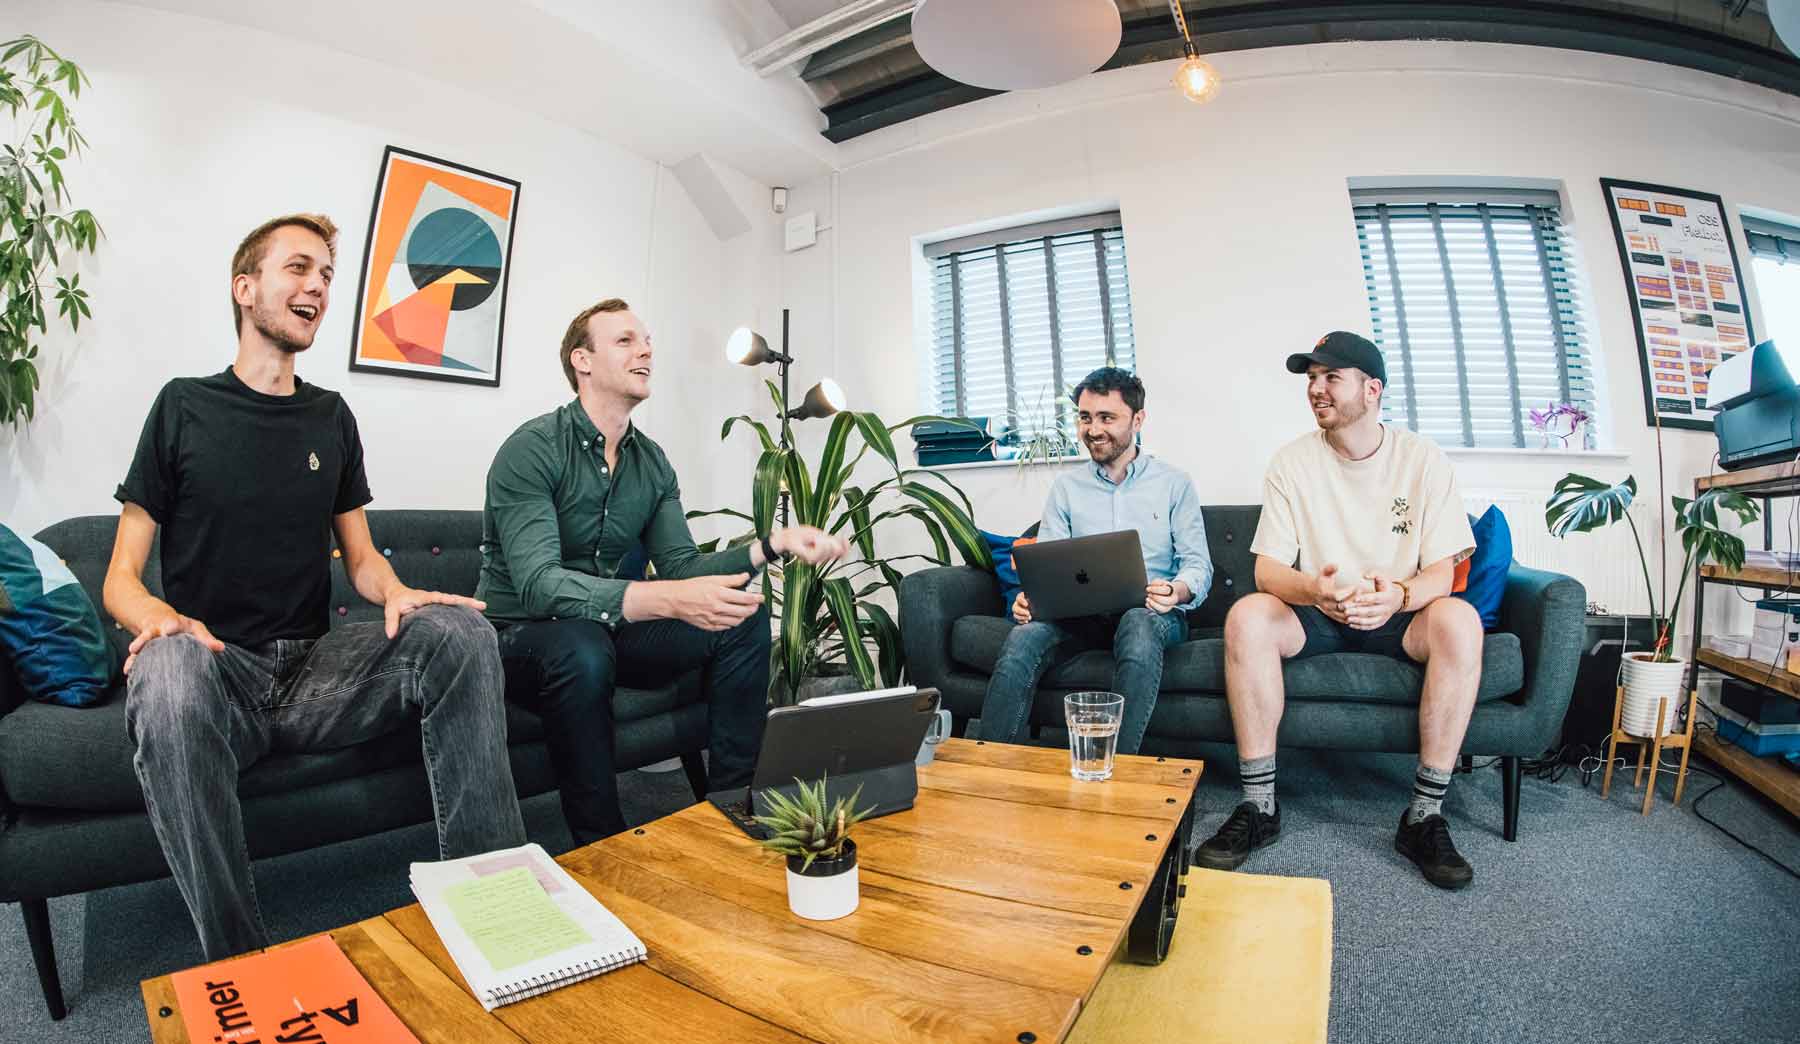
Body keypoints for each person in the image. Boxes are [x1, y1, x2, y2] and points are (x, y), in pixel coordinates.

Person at [104, 213, 527, 960]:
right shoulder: (182, 406)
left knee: (462, 632)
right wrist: (161, 620)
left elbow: (360, 558)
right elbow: (121, 578)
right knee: (167, 671)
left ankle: (496, 907)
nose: (317, 287)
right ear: (246, 288)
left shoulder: (331, 416)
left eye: (326, 276)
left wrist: (395, 589)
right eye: (298, 269)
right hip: (217, 672)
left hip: (314, 673)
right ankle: (240, 963)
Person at [479, 298, 848, 844]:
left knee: (741, 614)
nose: (646, 349)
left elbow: (681, 566)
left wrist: (771, 545)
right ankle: (602, 844)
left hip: (606, 631)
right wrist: (669, 600)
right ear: (582, 361)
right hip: (523, 637)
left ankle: (732, 805)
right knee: (582, 647)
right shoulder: (531, 450)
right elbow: (539, 584)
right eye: (626, 340)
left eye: (647, 339)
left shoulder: (650, 463)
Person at [1197, 332, 1482, 889]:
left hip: (1398, 612)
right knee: (1249, 615)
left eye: (1331, 377)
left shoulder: (1423, 460)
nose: (1316, 389)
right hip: (1320, 612)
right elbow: (1267, 572)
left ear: (1372, 389)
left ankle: (1424, 815)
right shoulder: (1291, 462)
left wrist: (1399, 596)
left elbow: (1442, 572)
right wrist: (1314, 589)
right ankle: (1260, 806)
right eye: (1310, 379)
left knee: (1460, 620)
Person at [976, 367, 1213, 755]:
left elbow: (1198, 566)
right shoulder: (1067, 488)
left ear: (1138, 420)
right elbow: (1048, 562)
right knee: (1024, 637)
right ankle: (991, 765)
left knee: (1138, 622)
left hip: (1153, 614)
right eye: (1085, 418)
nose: (1093, 429)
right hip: (1080, 616)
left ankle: (1115, 772)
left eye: (1107, 418)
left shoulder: (1174, 484)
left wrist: (1175, 590)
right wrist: (1031, 597)